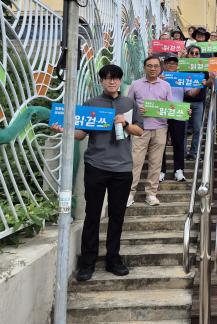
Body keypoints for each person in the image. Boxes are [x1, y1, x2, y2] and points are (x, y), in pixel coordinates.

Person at [51, 64, 143, 281]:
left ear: (120, 81)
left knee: (117, 216)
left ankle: (113, 259)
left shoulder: (129, 103)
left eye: (116, 78)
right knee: (92, 214)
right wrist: (64, 129)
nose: (112, 81)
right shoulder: (92, 103)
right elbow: (80, 134)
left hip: (122, 168)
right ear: (101, 81)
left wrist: (125, 123)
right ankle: (87, 262)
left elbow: (139, 130)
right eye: (107, 78)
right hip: (96, 166)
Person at [126, 56, 172, 207]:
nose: (153, 68)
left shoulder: (166, 85)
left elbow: (171, 107)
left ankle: (151, 193)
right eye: (150, 66)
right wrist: (137, 110)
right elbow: (127, 105)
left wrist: (184, 112)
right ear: (144, 67)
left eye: (156, 66)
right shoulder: (135, 84)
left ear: (160, 68)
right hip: (140, 129)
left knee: (156, 163)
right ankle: (129, 193)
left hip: (160, 128)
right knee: (135, 162)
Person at [160, 55, 199, 182]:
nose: (172, 65)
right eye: (169, 62)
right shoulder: (158, 77)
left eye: (174, 63)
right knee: (160, 143)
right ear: (164, 65)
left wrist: (199, 85)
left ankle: (179, 170)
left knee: (179, 143)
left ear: (177, 66)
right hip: (161, 113)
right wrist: (158, 81)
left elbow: (191, 93)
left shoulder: (181, 77)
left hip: (178, 113)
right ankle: (161, 170)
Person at [183, 45, 210, 159]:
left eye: (197, 53)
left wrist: (209, 80)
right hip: (183, 102)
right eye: (192, 53)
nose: (194, 55)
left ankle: (193, 152)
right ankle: (183, 153)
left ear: (199, 55)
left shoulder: (203, 68)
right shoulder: (183, 67)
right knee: (183, 129)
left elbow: (209, 82)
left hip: (199, 102)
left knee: (197, 129)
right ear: (188, 55)